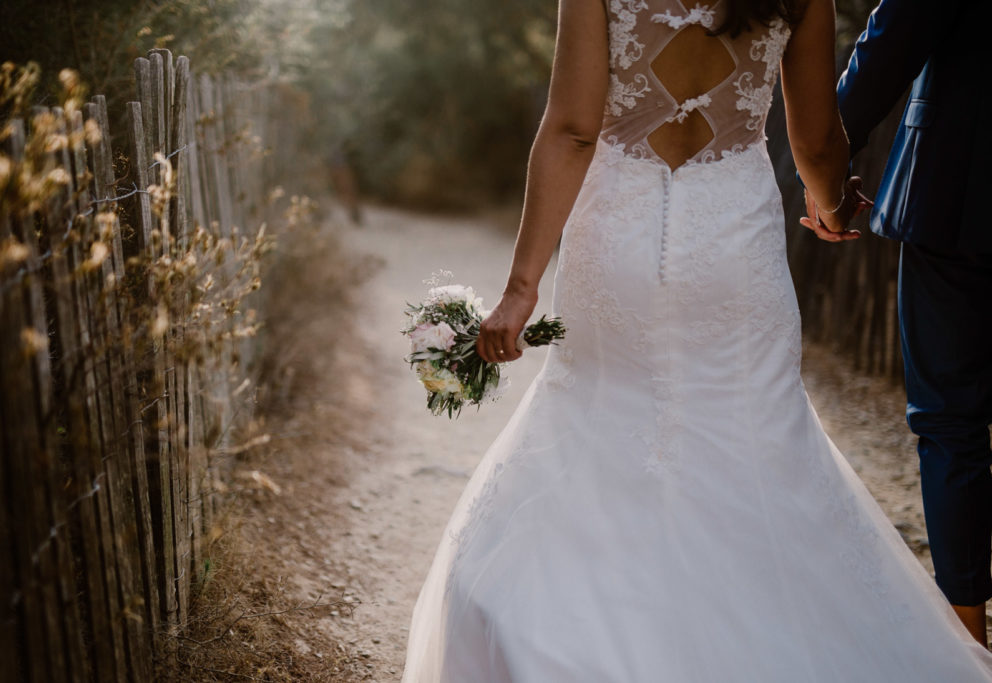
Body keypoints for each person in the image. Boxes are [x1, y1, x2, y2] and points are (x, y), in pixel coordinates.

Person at [402, 0, 992, 680]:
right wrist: (829, 203)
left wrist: (520, 287)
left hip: (615, 239)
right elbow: (820, 142)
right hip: (733, 248)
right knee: (756, 438)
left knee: (593, 420)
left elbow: (570, 131)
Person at [799, 0, 992, 647]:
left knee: (949, 419)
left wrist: (825, 165)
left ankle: (967, 639)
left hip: (961, 191)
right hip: (956, 198)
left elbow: (896, 34)